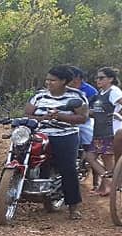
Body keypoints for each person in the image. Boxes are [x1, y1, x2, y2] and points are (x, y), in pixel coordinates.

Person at [25, 65, 89, 220]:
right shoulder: (39, 96)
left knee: (68, 169)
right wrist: (41, 119)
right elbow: (27, 114)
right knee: (21, 157)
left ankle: (73, 207)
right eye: (47, 79)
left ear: (64, 81)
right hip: (40, 135)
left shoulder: (77, 96)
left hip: (65, 135)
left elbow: (82, 118)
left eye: (52, 80)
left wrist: (60, 116)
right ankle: (0, 194)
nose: (48, 82)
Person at [86, 67, 122, 195]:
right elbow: (96, 112)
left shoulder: (114, 92)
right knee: (90, 157)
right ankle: (109, 183)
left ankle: (110, 185)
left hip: (110, 131)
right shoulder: (100, 93)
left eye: (101, 78)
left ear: (111, 79)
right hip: (98, 131)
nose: (98, 80)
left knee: (106, 160)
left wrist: (117, 114)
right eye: (97, 78)